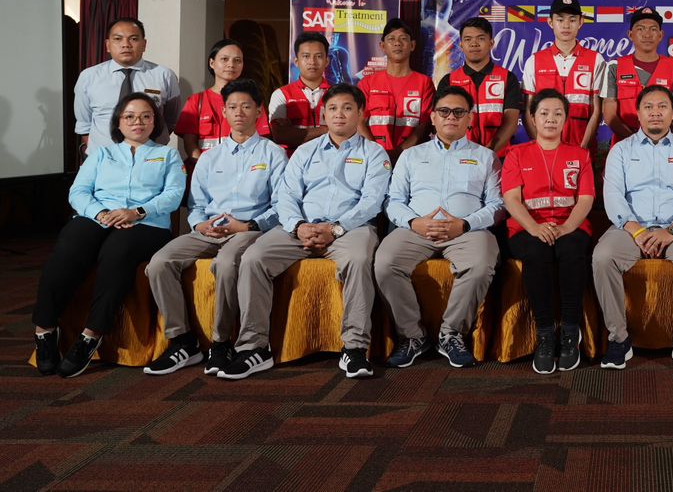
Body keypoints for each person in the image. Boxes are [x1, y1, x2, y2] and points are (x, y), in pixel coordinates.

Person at [219, 84, 390, 380]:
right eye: (332, 108)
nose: (339, 114)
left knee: (360, 259)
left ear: (361, 114)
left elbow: (371, 202)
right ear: (323, 114)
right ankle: (254, 348)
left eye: (347, 108)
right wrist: (298, 226)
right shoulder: (305, 151)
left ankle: (355, 348)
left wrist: (335, 228)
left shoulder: (374, 153)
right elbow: (287, 196)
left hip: (349, 229)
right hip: (301, 226)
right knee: (254, 258)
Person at [33, 93, 184, 378]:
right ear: (118, 122)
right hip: (98, 216)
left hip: (147, 224)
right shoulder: (102, 153)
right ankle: (45, 330)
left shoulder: (168, 155)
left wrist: (137, 212)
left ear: (155, 122)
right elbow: (78, 192)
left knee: (117, 253)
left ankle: (91, 335)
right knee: (69, 248)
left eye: (146, 116)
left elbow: (174, 195)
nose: (138, 122)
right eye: (130, 116)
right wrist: (101, 213)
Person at [143, 80, 287, 375]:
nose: (239, 113)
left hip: (249, 230)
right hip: (209, 230)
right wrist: (200, 224)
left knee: (225, 263)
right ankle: (183, 341)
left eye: (246, 106)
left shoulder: (273, 154)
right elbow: (196, 205)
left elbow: (281, 205)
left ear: (259, 112)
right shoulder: (210, 157)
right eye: (232, 107)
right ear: (224, 112)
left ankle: (221, 342)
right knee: (159, 262)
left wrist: (247, 225)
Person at [375, 87, 502, 369]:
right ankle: (413, 336)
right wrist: (414, 222)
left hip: (467, 231)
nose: (451, 117)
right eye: (444, 111)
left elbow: (497, 205)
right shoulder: (411, 155)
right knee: (385, 263)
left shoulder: (486, 157)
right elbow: (393, 200)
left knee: (481, 264)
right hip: (415, 229)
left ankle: (451, 334)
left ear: (470, 118)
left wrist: (465, 224)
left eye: (459, 112)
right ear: (432, 117)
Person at [595, 84, 673, 371]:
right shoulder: (621, 151)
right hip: (629, 229)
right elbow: (613, 196)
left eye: (662, 107)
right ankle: (619, 339)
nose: (655, 112)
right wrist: (637, 231)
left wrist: (671, 231)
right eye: (648, 107)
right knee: (603, 257)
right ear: (637, 113)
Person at [501, 88, 596, 375]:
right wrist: (534, 227)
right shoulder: (516, 154)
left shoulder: (580, 155)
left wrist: (566, 227)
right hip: (527, 228)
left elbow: (585, 199)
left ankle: (570, 331)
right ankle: (544, 334)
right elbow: (511, 199)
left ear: (566, 119)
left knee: (571, 249)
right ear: (532, 118)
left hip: (570, 225)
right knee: (537, 251)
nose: (551, 119)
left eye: (558, 114)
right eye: (544, 113)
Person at [73, 18, 181, 155]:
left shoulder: (164, 75)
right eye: (118, 39)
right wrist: (100, 155)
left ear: (144, 44)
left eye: (133, 39)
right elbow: (84, 125)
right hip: (105, 157)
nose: (126, 45)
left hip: (151, 157)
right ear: (107, 45)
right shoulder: (89, 77)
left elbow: (170, 121)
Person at [521, 0, 606, 151]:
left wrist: (582, 149)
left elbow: (597, 110)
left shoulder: (596, 59)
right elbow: (527, 110)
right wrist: (541, 148)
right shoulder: (534, 61)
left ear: (581, 22)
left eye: (572, 20)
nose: (566, 25)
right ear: (550, 22)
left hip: (583, 149)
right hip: (544, 151)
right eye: (560, 20)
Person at [174, 39, 272, 164]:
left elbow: (261, 140)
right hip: (204, 169)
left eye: (237, 60)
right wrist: (204, 168)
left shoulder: (253, 100)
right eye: (224, 59)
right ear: (212, 63)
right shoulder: (196, 101)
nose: (231, 64)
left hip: (242, 168)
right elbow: (190, 143)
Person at [602, 7, 673, 144]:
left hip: (663, 145)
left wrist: (656, 138)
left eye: (653, 29)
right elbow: (609, 113)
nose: (647, 34)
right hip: (624, 144)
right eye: (640, 29)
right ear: (630, 34)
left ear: (661, 35)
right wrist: (635, 141)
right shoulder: (615, 66)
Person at [439, 17, 523, 154]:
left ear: (491, 43)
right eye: (468, 39)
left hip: (498, 157)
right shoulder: (448, 81)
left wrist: (487, 154)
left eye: (481, 38)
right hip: (458, 156)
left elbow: (511, 122)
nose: (474, 44)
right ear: (461, 45)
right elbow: (442, 123)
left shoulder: (508, 78)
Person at [358, 19, 435, 162]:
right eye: (391, 39)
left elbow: (424, 125)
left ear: (412, 45)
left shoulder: (424, 83)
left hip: (412, 159)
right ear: (382, 46)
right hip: (373, 158)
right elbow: (359, 122)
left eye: (403, 39)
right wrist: (377, 154)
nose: (397, 43)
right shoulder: (367, 83)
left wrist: (400, 153)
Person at [269, 32, 332, 155]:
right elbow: (280, 136)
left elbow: (347, 132)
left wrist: (296, 133)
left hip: (330, 161)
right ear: (296, 61)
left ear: (326, 61)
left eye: (318, 56)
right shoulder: (281, 94)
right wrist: (326, 130)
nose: (312, 62)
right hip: (291, 162)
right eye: (306, 56)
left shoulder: (339, 95)